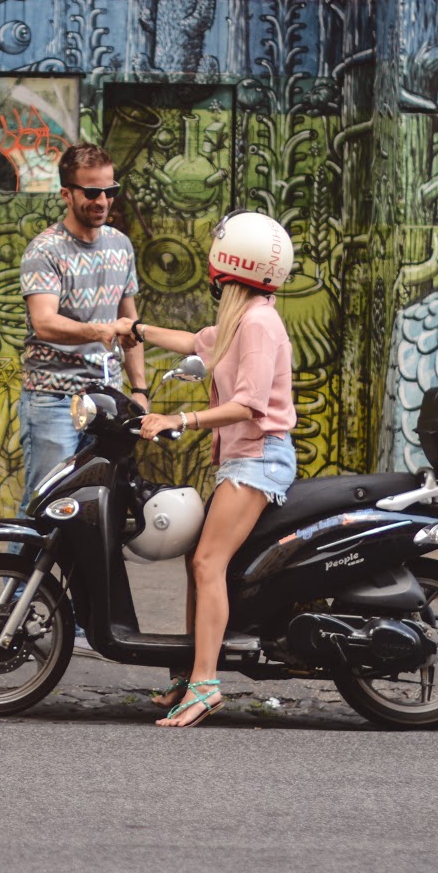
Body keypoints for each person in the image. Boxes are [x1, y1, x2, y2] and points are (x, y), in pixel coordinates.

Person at [113, 211, 297, 728]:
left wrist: (180, 418)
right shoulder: (245, 317)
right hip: (245, 459)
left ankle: (206, 686)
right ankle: (191, 672)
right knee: (200, 560)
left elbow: (249, 405)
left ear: (228, 266)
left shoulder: (260, 323)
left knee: (207, 563)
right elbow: (197, 342)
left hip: (259, 460)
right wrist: (137, 330)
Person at [18, 143, 147, 518]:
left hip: (107, 402)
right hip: (54, 399)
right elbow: (44, 322)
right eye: (91, 192)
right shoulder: (45, 250)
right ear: (67, 194)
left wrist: (138, 389)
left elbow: (130, 326)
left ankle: (81, 581)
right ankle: (23, 579)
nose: (103, 200)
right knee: (46, 506)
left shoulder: (121, 246)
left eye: (110, 191)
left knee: (97, 507)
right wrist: (101, 330)